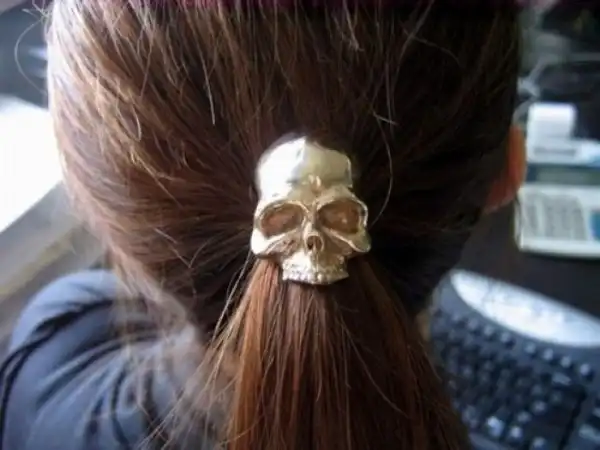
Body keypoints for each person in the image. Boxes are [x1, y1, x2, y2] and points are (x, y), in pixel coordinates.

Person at [0, 1, 526, 449]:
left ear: (94, 199)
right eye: (284, 222)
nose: (310, 246)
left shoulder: (50, 359)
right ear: (509, 173)